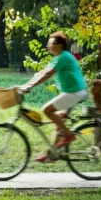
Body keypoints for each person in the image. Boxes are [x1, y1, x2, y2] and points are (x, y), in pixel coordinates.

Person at [19, 32, 87, 162]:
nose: (49, 46)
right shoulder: (57, 57)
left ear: (60, 45)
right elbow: (42, 72)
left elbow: (48, 74)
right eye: (48, 43)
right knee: (59, 123)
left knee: (47, 109)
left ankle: (68, 135)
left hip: (74, 92)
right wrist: (25, 85)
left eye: (52, 43)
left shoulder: (64, 57)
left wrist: (30, 87)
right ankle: (52, 155)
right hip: (71, 92)